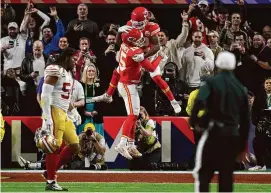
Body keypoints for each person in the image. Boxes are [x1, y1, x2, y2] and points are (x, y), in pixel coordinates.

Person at [93, 7, 182, 114]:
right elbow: (118, 44)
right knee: (118, 71)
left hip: (149, 54)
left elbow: (156, 47)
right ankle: (108, 95)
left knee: (157, 78)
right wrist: (119, 32)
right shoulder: (130, 24)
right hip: (135, 53)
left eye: (140, 24)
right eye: (135, 23)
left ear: (146, 20)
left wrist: (145, 56)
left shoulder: (152, 27)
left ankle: (173, 101)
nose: (137, 27)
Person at [190, 51, 250, 192]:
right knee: (226, 175)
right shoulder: (241, 89)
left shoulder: (210, 81)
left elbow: (199, 102)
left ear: (218, 64)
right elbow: (246, 120)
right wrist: (242, 147)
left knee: (204, 173)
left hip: (214, 132)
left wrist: (195, 121)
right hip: (232, 135)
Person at [38, 47, 81, 191]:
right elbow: (44, 95)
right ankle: (51, 181)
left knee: (75, 145)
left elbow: (63, 96)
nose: (76, 63)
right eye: (74, 59)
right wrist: (47, 117)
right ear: (67, 57)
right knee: (54, 147)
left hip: (63, 112)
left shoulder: (67, 74)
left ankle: (49, 172)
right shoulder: (55, 69)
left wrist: (73, 110)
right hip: (54, 111)